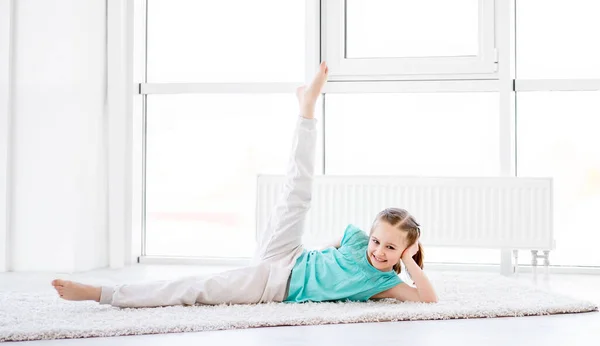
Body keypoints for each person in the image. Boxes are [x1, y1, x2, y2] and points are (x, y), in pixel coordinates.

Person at [51, 61, 438, 307]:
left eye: (390, 247)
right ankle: (307, 111)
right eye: (377, 240)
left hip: (271, 286)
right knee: (297, 194)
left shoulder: (382, 282)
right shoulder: (357, 239)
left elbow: (428, 299)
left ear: (404, 250)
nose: (379, 250)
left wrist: (408, 261)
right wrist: (312, 259)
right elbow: (332, 246)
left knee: (196, 288)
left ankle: (101, 294)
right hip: (288, 253)